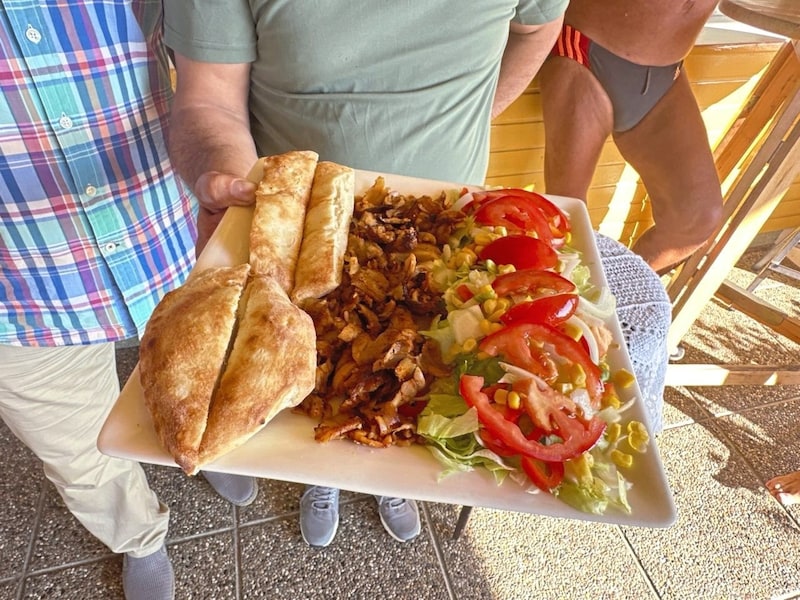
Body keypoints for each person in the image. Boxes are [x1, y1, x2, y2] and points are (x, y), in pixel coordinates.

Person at [162, 1, 567, 547]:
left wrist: (466, 115)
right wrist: (228, 181)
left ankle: (389, 480)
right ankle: (320, 479)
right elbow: (208, 97)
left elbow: (540, 26)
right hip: (296, 243)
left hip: (452, 234)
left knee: (419, 392)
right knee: (322, 388)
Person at [0, 3, 257, 599]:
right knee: (79, 451)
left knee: (206, 387)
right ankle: (139, 536)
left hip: (165, 232)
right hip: (20, 294)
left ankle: (201, 446)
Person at [537, 0, 724, 275]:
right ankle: (566, 305)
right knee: (567, 219)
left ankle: (616, 300)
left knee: (696, 218)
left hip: (666, 71)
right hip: (585, 50)